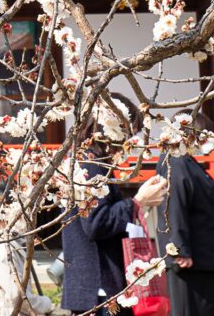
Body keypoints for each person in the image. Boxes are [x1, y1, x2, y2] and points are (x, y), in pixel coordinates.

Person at [61, 96, 169, 315]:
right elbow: (95, 224)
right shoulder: (90, 164)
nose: (129, 138)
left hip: (95, 285)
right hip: (99, 287)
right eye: (127, 130)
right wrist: (138, 201)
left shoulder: (85, 160)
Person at [156, 113, 214, 316]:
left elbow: (194, 193)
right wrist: (180, 250)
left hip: (204, 256)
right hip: (190, 260)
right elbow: (174, 206)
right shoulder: (174, 161)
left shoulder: (185, 160)